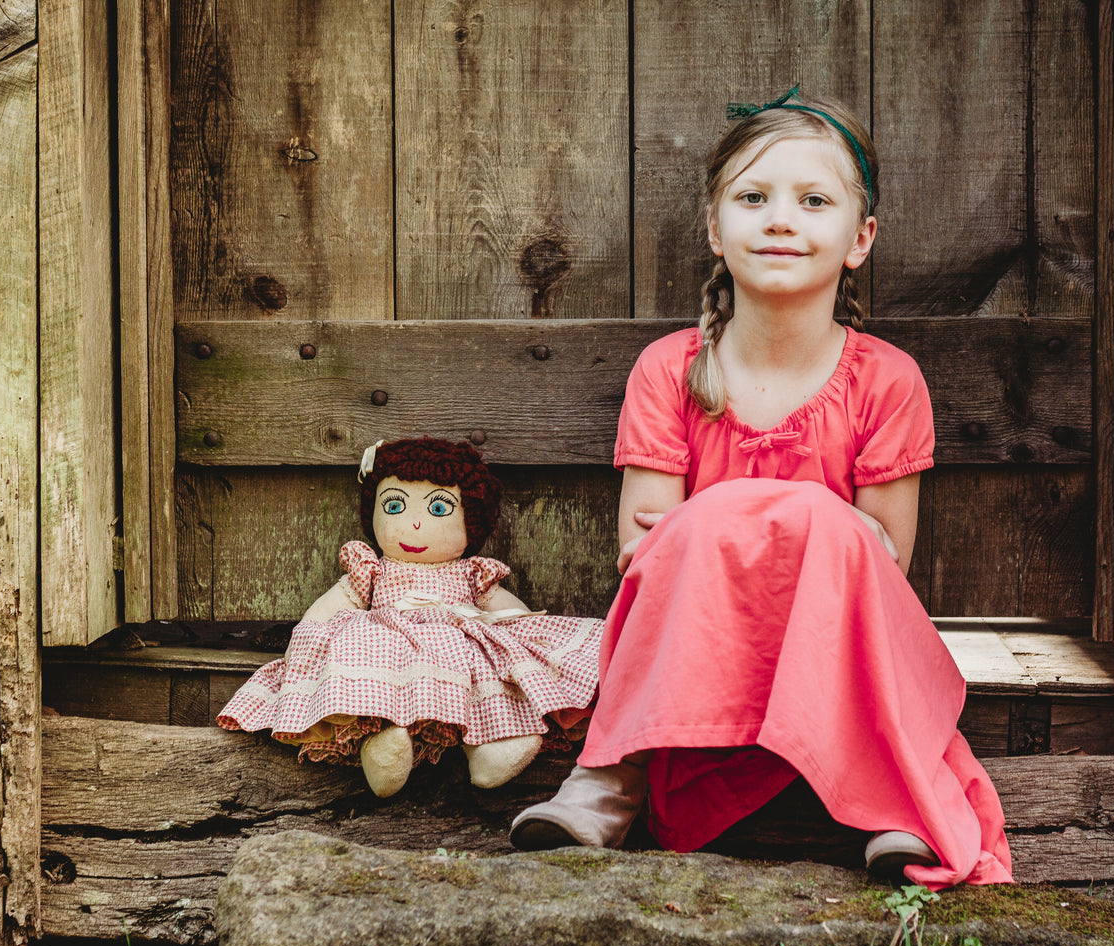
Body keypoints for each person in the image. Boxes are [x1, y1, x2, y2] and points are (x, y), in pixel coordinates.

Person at [509, 88, 1013, 888]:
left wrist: (777, 522)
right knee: (726, 526)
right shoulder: (669, 371)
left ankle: (892, 798)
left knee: (818, 523)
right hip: (700, 641)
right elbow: (644, 551)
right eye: (753, 198)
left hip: (832, 638)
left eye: (813, 200)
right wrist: (757, 525)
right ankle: (614, 777)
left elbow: (882, 562)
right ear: (716, 230)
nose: (781, 218)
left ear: (861, 237)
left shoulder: (887, 381)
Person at [218, 437, 601, 797]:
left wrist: (525, 636)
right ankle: (383, 739)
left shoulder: (472, 574)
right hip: (388, 639)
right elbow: (334, 606)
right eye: (396, 506)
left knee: (491, 665)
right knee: (357, 652)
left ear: (472, 519)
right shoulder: (371, 569)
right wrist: (310, 634)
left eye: (438, 509)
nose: (416, 523)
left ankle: (490, 746)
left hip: (456, 643)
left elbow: (512, 617)